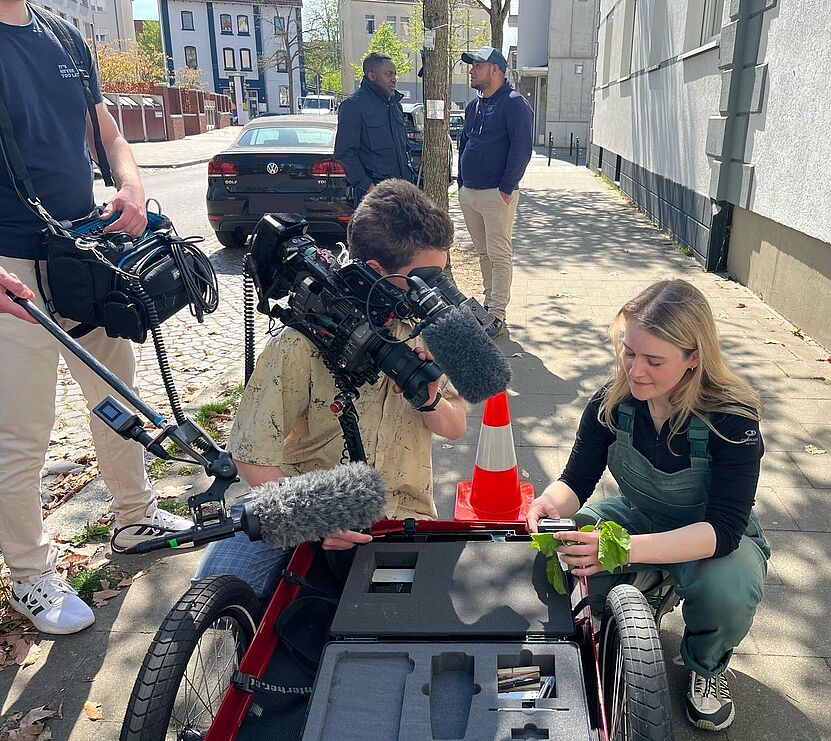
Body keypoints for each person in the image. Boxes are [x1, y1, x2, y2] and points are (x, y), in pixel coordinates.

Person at [0, 1, 195, 635]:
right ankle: (30, 575)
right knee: (22, 434)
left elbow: (106, 131)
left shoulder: (60, 33)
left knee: (117, 394)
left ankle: (134, 515)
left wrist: (131, 185)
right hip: (12, 269)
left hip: (83, 252)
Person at [194, 180, 467, 599]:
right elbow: (250, 456)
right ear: (376, 272)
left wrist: (428, 398)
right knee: (211, 590)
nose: (435, 291)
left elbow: (455, 426)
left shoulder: (429, 330)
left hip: (401, 514)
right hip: (304, 502)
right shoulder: (299, 342)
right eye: (425, 277)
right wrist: (317, 515)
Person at [526, 279, 770, 732]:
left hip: (709, 538)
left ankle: (706, 667)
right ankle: (649, 586)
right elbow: (575, 481)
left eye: (654, 360)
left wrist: (620, 551)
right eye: (628, 352)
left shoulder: (733, 419)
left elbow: (723, 531)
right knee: (555, 565)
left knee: (727, 592)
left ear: (694, 357)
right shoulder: (611, 402)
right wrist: (546, 504)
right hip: (638, 518)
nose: (635, 371)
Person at [458, 46, 533, 335]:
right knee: (483, 253)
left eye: (477, 64)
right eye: (472, 65)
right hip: (470, 193)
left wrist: (506, 188)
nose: (472, 69)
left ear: (495, 70)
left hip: (496, 195)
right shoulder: (473, 105)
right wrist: (462, 182)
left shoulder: (515, 104)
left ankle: (498, 314)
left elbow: (521, 148)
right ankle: (488, 307)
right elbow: (464, 143)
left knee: (499, 254)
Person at [335, 52, 415, 204]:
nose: (394, 79)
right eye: (389, 74)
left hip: (401, 192)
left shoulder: (395, 105)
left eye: (395, 74)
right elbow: (345, 153)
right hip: (374, 197)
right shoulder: (354, 106)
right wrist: (368, 186)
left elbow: (403, 147)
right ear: (372, 76)